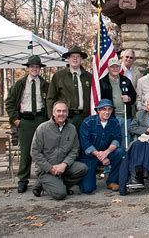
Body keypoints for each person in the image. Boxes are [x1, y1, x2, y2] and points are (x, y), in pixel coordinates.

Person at [5, 55, 49, 193]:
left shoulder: (45, 85)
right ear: (28, 68)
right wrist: (15, 119)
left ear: (40, 69)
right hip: (25, 120)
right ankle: (23, 180)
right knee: (25, 152)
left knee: (44, 150)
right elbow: (10, 102)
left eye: (37, 67)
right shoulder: (20, 84)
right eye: (32, 66)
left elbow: (50, 101)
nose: (34, 69)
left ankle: (43, 179)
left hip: (41, 119)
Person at [31, 101, 88, 199]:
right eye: (59, 111)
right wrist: (50, 168)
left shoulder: (72, 129)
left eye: (64, 111)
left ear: (67, 113)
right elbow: (35, 152)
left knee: (83, 168)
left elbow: (75, 149)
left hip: (63, 166)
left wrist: (64, 164)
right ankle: (44, 182)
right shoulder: (42, 128)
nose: (61, 113)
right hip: (46, 168)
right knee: (60, 194)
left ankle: (54, 183)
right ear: (53, 113)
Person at [78, 99, 125, 193]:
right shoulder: (88, 122)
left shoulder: (114, 122)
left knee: (120, 152)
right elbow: (85, 143)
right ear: (98, 110)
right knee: (88, 189)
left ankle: (112, 181)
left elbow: (117, 140)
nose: (107, 112)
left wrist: (106, 153)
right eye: (103, 109)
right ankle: (82, 180)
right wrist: (100, 156)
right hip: (90, 156)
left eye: (109, 109)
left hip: (106, 153)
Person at [46, 45, 92, 132]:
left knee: (83, 143)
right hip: (65, 118)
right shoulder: (59, 76)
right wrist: (51, 117)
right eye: (72, 56)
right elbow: (50, 98)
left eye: (78, 56)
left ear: (81, 59)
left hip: (84, 118)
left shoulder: (89, 77)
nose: (75, 59)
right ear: (68, 58)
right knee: (66, 143)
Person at [100, 57, 136, 145]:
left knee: (126, 139)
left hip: (125, 116)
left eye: (117, 67)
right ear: (108, 68)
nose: (115, 69)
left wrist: (129, 98)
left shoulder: (126, 80)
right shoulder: (102, 82)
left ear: (120, 68)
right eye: (112, 67)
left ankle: (126, 157)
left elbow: (134, 96)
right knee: (111, 139)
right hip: (110, 117)